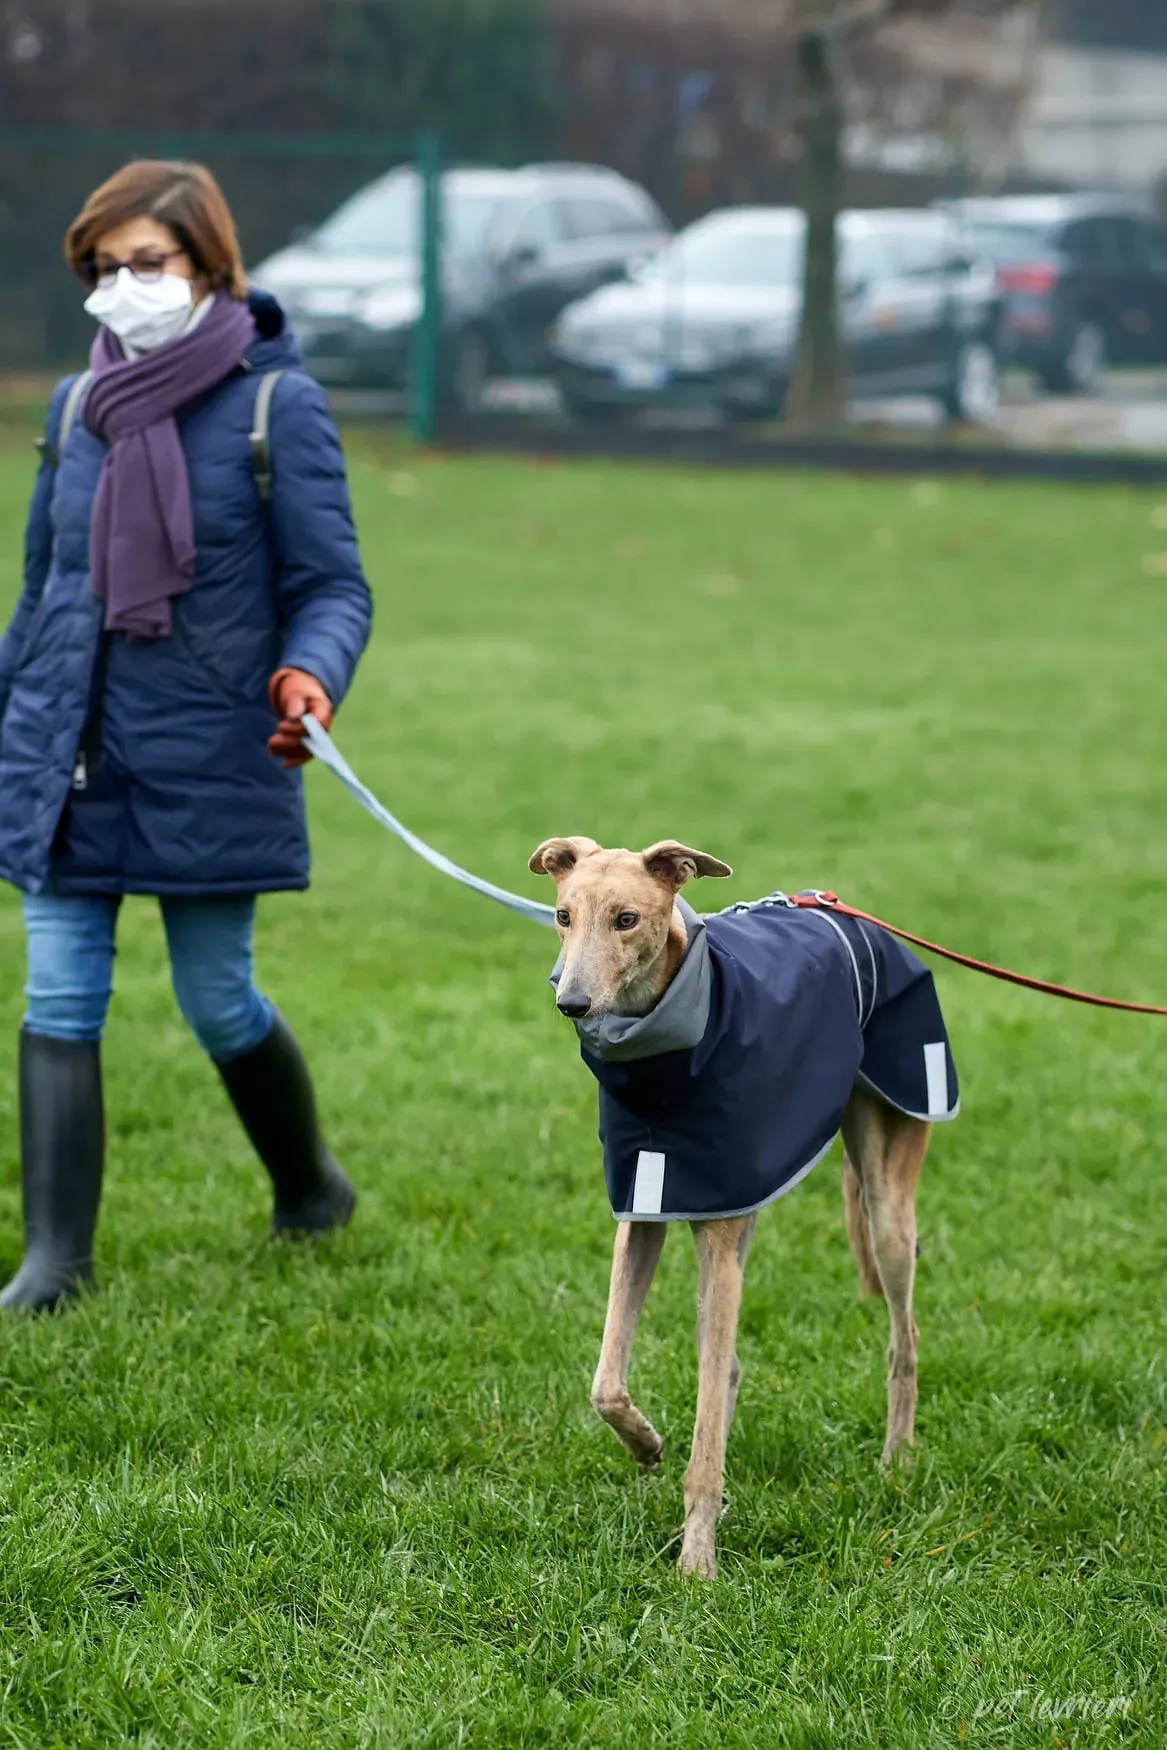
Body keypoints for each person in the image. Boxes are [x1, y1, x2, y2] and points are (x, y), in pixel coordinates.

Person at [0, 160, 373, 1311]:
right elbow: (44, 593)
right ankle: (56, 1260)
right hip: (68, 750)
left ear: (210, 266)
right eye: (102, 269)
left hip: (212, 750)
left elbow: (332, 586)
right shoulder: (75, 408)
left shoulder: (276, 405)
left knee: (218, 998)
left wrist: (311, 672)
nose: (122, 288)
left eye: (146, 264)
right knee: (58, 994)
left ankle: (311, 1186)